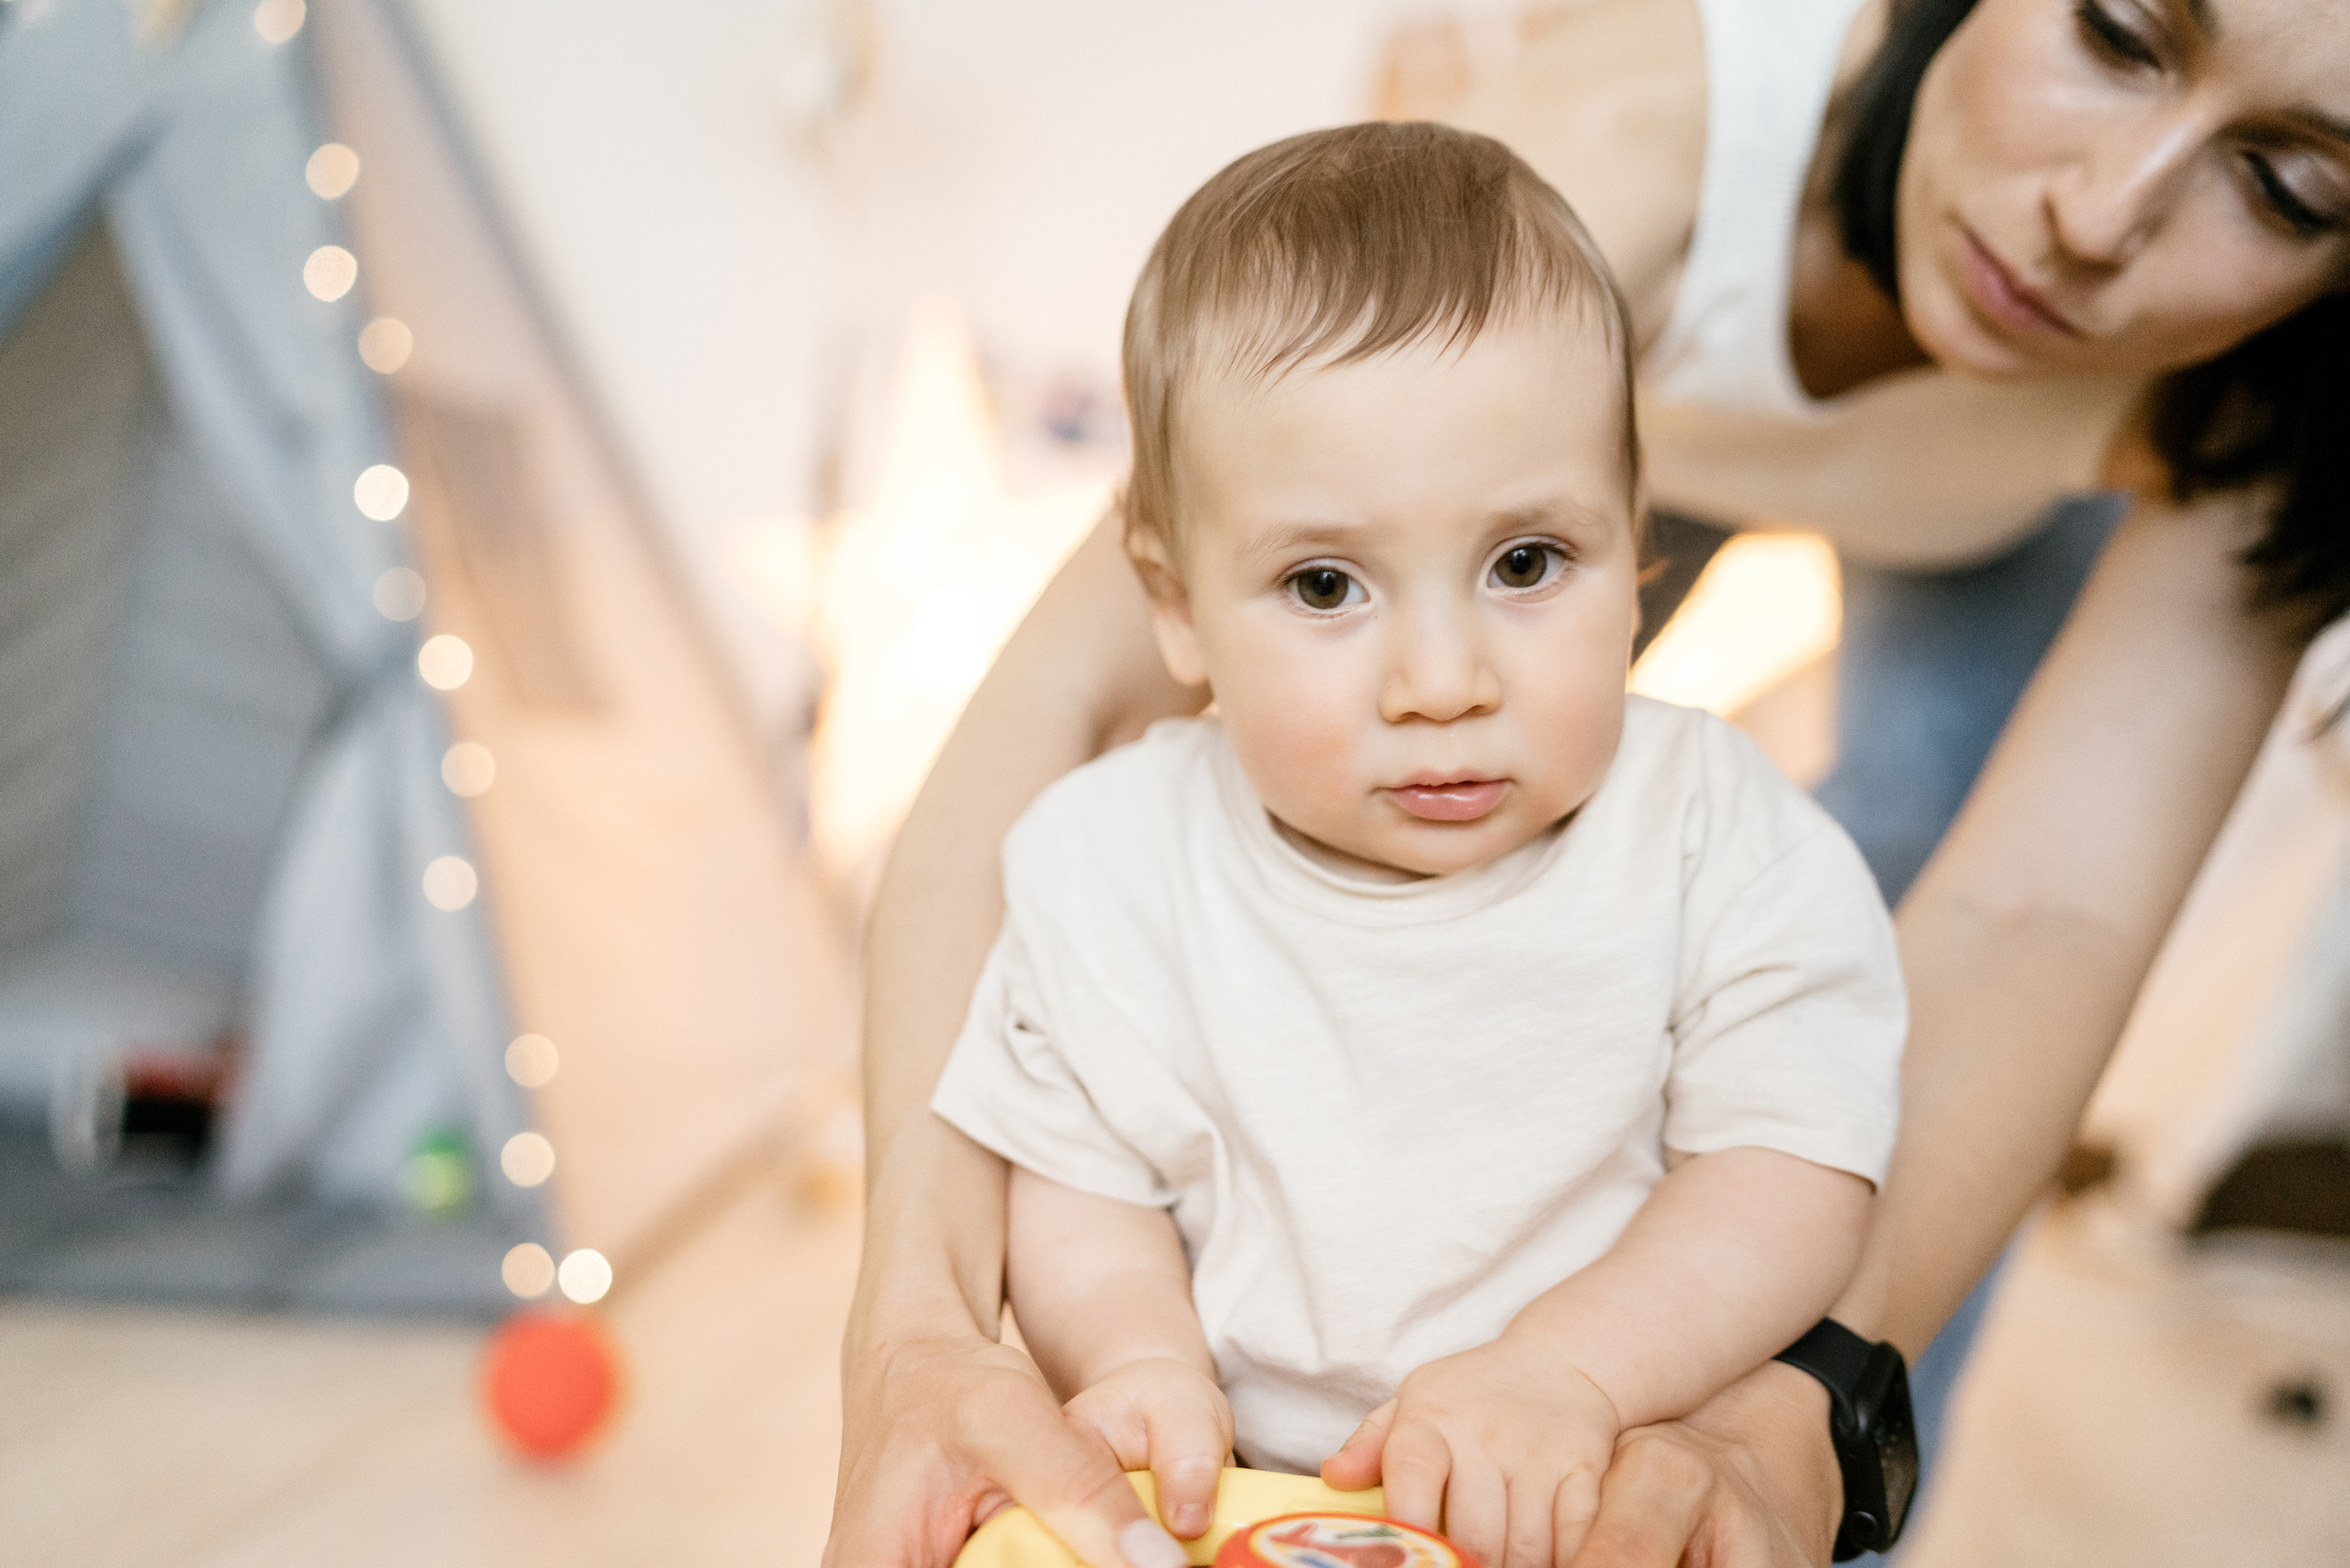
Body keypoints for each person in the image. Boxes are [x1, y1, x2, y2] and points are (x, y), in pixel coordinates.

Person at [822, 0, 2350, 1561]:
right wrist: (922, 1333)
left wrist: (1778, 1415)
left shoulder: (1724, 827)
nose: (2097, 218)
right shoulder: (1608, 160)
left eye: (2291, 187)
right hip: (1535, 421)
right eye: (2112, 29)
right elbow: (1056, 736)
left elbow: (2033, 923)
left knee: (1827, 971)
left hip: (1931, 530)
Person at [925, 124, 1906, 1568]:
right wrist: (1134, 1362)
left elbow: (1793, 1165)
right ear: (1177, 603)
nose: (1441, 680)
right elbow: (1081, 1177)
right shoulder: (1113, 862)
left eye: (1526, 564)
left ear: (1634, 550)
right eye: (1325, 585)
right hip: (1247, 1498)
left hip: (1616, 1485)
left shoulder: (1714, 834)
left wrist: (1575, 1370)